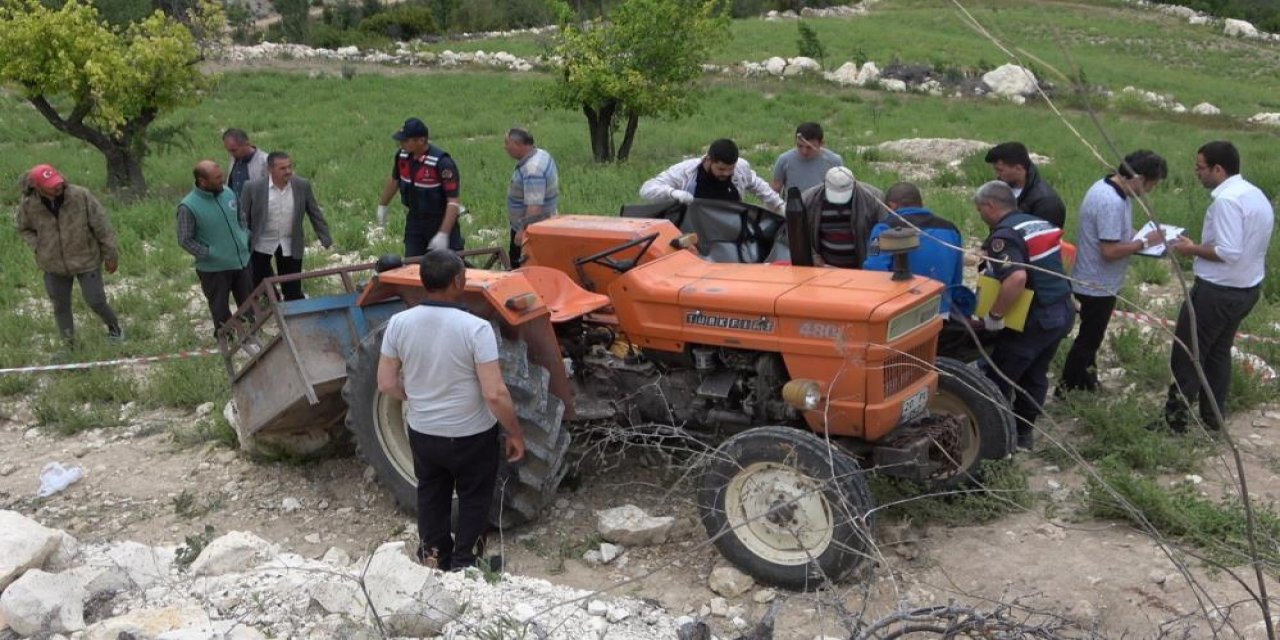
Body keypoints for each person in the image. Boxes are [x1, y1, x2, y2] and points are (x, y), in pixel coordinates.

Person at [377, 250, 526, 571]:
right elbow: (495, 393)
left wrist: (417, 396)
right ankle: (465, 564)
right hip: (470, 435)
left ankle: (433, 558)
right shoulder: (476, 329)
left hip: (423, 432)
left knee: (431, 495)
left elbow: (386, 383)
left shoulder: (398, 324)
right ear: (458, 280)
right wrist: (514, 431)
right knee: (474, 498)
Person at [1156, 141, 1275, 432]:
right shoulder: (1254, 193)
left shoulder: (1226, 201)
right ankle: (1213, 419)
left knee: (1188, 354)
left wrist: (1191, 248)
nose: (1197, 174)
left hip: (1217, 292)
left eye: (1200, 168)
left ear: (1218, 169)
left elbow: (1228, 251)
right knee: (1218, 354)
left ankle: (1175, 422)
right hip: (1246, 289)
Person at [974, 181, 1074, 450]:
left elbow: (1016, 277)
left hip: (1035, 318)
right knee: (1036, 375)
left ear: (990, 206)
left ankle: (997, 438)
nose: (980, 215)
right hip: (1062, 309)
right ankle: (1023, 434)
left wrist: (995, 315)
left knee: (1000, 377)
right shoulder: (1036, 224)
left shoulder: (1003, 236)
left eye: (980, 209)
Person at [1059, 150, 1168, 394]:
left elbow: (1119, 232)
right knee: (1088, 341)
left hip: (1098, 279)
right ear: (1139, 178)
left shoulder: (1109, 188)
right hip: (1097, 282)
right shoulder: (1110, 201)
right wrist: (1145, 243)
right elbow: (1109, 251)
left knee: (1091, 338)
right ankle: (1067, 389)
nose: (1148, 191)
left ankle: (1087, 383)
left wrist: (1141, 235)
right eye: (1150, 185)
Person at [16, 164, 124, 343]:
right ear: (37, 187)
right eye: (51, 185)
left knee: (96, 301)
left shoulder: (80, 196)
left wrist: (111, 255)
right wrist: (38, 245)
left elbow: (102, 227)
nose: (58, 186)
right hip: (53, 264)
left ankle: (115, 330)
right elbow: (23, 228)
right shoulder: (29, 205)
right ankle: (70, 345)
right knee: (60, 307)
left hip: (86, 259)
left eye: (58, 182)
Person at [238, 151, 333, 300]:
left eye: (290, 167)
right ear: (270, 169)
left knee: (292, 284)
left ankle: (293, 311)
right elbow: (242, 217)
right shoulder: (253, 187)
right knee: (258, 282)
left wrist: (325, 237)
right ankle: (268, 306)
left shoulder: (302, 185)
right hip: (261, 242)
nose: (288, 171)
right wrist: (243, 241)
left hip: (290, 241)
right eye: (282, 168)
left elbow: (314, 212)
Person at [865, 182, 965, 314]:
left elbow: (874, 268)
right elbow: (957, 277)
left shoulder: (882, 229)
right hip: (940, 309)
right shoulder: (951, 230)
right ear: (920, 203)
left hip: (899, 311)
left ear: (891, 206)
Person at [178, 160, 253, 335]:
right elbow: (184, 239)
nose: (222, 180)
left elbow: (240, 216)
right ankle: (227, 339)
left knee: (249, 303)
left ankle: (252, 332)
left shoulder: (228, 192)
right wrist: (210, 254)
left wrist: (244, 236)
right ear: (202, 181)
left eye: (221, 176)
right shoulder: (188, 206)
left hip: (242, 261)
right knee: (220, 308)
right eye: (217, 178)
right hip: (214, 269)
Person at [376, 118, 464, 257]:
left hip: (439, 220)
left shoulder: (442, 163)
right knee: (413, 264)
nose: (401, 143)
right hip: (415, 221)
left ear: (421, 141)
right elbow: (395, 180)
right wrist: (383, 205)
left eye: (406, 140)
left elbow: (453, 202)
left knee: (448, 268)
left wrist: (443, 234)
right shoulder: (402, 157)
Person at [639, 138, 784, 213]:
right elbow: (647, 189)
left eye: (730, 169)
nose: (726, 173)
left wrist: (780, 206)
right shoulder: (685, 171)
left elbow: (759, 187)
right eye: (721, 169)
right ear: (709, 159)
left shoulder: (741, 168)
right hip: (695, 231)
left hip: (731, 226)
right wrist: (673, 193)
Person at [799, 166, 884, 268]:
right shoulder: (808, 199)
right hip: (824, 269)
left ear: (854, 184)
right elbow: (798, 233)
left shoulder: (874, 199)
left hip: (862, 268)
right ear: (824, 184)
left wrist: (872, 260)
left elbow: (882, 233)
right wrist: (813, 256)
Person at [503, 128, 559, 266]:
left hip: (532, 230)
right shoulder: (541, 154)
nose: (505, 148)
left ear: (518, 144)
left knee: (520, 271)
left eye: (507, 143)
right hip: (545, 223)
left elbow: (534, 205)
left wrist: (523, 231)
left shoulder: (532, 170)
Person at [985, 142, 1067, 228]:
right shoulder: (1002, 190)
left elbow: (1044, 238)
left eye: (1000, 170)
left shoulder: (1047, 203)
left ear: (1018, 169)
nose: (997, 175)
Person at [770, 122, 844, 193]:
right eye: (800, 146)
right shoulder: (784, 160)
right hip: (794, 205)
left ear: (821, 144)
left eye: (809, 147)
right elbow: (774, 191)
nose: (804, 151)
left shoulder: (834, 162)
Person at [223, 128, 268, 196]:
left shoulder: (265, 161)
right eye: (229, 151)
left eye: (234, 150)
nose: (231, 154)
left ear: (247, 144)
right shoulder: (234, 158)